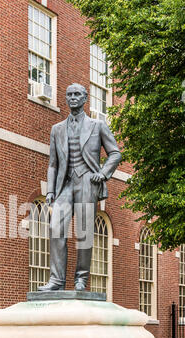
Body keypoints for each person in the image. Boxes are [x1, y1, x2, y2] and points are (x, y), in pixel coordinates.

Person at [38, 83, 121, 292]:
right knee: (56, 228)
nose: (72, 97)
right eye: (69, 94)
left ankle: (81, 279)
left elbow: (115, 153)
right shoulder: (57, 129)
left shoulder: (97, 125)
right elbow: (53, 164)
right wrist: (50, 190)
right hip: (64, 184)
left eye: (77, 94)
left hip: (87, 182)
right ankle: (57, 280)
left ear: (85, 98)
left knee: (84, 233)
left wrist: (103, 173)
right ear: (65, 99)